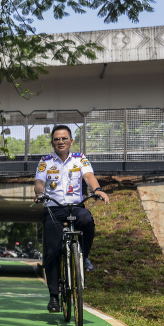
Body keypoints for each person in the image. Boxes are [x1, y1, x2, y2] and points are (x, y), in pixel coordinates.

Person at [34, 125, 110, 313]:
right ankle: (54, 296)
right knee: (51, 252)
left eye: (64, 138)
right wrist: (40, 193)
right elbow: (39, 182)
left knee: (88, 220)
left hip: (76, 207)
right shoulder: (45, 162)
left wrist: (97, 189)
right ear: (52, 142)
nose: (61, 142)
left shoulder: (80, 159)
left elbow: (89, 176)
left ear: (71, 141)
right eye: (57, 139)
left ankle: (82, 256)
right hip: (53, 209)